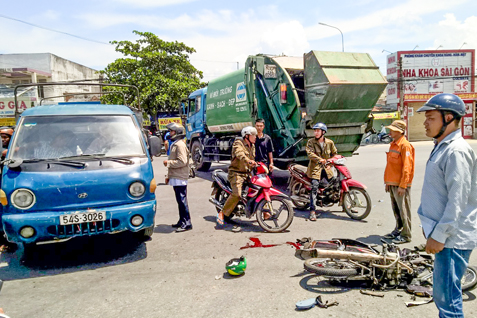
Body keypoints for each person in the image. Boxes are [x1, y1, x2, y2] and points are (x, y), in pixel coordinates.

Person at [416, 93, 477, 318]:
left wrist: (439, 235)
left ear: (449, 117)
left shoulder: (456, 150)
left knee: (448, 302)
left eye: (430, 117)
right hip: (445, 236)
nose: (425, 122)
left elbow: (458, 199)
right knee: (444, 297)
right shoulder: (442, 146)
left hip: (452, 239)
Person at [216, 126, 257, 227]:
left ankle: (264, 212)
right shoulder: (238, 143)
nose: (255, 137)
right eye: (253, 135)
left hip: (247, 173)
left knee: (258, 189)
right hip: (236, 173)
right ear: (246, 136)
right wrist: (248, 160)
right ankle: (222, 212)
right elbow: (240, 154)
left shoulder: (252, 146)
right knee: (237, 194)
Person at [383, 120, 415, 244]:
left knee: (404, 210)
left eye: (392, 129)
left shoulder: (405, 145)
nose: (390, 131)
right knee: (396, 209)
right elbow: (390, 165)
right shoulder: (393, 144)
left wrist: (403, 185)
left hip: (400, 185)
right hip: (392, 183)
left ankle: (406, 235)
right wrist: (388, 183)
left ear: (399, 131)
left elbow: (407, 167)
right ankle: (398, 229)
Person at [163, 122, 192, 232]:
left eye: (172, 131)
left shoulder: (179, 144)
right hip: (176, 176)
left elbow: (182, 161)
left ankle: (187, 223)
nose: (170, 133)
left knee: (182, 200)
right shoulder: (175, 143)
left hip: (180, 177)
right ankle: (182, 221)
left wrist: (168, 163)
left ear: (177, 132)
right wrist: (168, 175)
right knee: (180, 201)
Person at [306, 122, 338, 221]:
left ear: (323, 132)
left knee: (336, 183)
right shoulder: (311, 142)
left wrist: (331, 163)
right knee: (314, 187)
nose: (315, 132)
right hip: (315, 169)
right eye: (315, 131)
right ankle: (312, 211)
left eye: (318, 131)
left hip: (326, 169)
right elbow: (310, 154)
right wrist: (320, 159)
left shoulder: (329, 142)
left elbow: (335, 154)